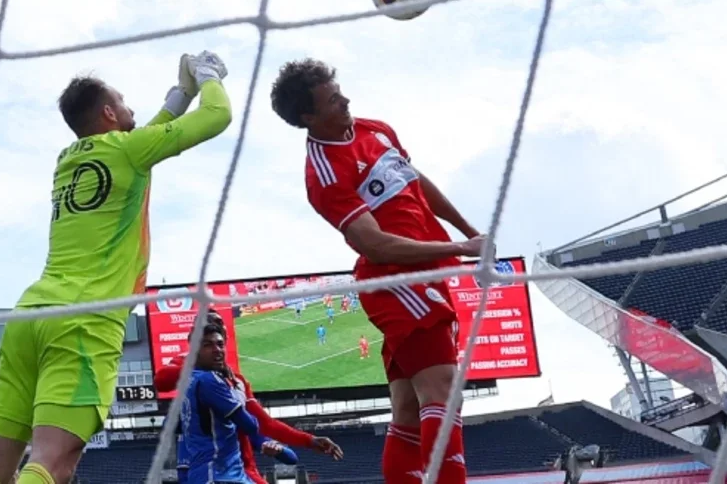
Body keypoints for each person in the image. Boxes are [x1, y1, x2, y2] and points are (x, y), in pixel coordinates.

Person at [0, 52, 234, 484]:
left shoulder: (68, 159)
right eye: (123, 102)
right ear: (109, 112)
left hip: (31, 317)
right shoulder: (130, 150)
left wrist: (179, 96)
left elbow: (144, 137)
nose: (131, 109)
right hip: (84, 323)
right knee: (52, 463)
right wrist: (207, 76)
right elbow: (218, 115)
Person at [270, 58, 487, 484]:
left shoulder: (376, 129)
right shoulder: (324, 174)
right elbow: (375, 243)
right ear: (308, 117)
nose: (346, 99)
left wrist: (469, 230)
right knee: (445, 392)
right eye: (333, 100)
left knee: (408, 408)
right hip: (394, 281)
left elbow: (414, 180)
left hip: (426, 276)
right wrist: (462, 247)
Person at [156, 311, 344, 484]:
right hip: (209, 468)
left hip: (238, 469)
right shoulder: (193, 371)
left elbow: (265, 425)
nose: (214, 328)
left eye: (219, 327)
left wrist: (309, 440)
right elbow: (161, 382)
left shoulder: (236, 381)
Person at [181, 323, 300, 484]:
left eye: (220, 344)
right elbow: (250, 426)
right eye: (207, 345)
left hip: (213, 474)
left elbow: (291, 457)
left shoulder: (188, 382)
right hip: (219, 475)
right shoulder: (210, 380)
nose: (217, 350)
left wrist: (272, 446)